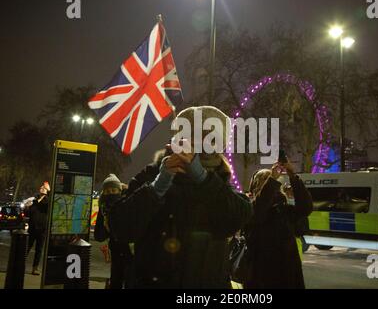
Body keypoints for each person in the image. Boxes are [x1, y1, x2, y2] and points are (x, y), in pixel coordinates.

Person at [109, 106, 253, 288]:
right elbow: (120, 228)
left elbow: (239, 216)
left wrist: (203, 179)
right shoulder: (154, 173)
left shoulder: (220, 181)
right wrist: (158, 186)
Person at [244, 159, 313, 289]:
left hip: (288, 275)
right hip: (261, 277)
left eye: (271, 181)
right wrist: (272, 180)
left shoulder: (283, 210)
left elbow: (305, 208)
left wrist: (292, 175)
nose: (271, 182)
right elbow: (258, 211)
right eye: (266, 181)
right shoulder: (248, 208)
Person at [94, 174, 133, 289]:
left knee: (130, 281)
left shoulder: (128, 204)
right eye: (107, 191)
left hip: (130, 250)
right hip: (116, 250)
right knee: (116, 280)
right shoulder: (104, 209)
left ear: (119, 191)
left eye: (113, 190)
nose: (111, 193)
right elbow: (99, 236)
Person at [26, 181, 50, 275]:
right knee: (27, 247)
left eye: (43, 187)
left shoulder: (47, 201)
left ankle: (35, 268)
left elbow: (52, 199)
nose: (42, 188)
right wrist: (27, 208)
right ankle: (20, 264)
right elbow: (29, 214)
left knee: (38, 250)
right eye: (41, 187)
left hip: (42, 229)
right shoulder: (34, 202)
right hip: (32, 228)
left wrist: (49, 190)